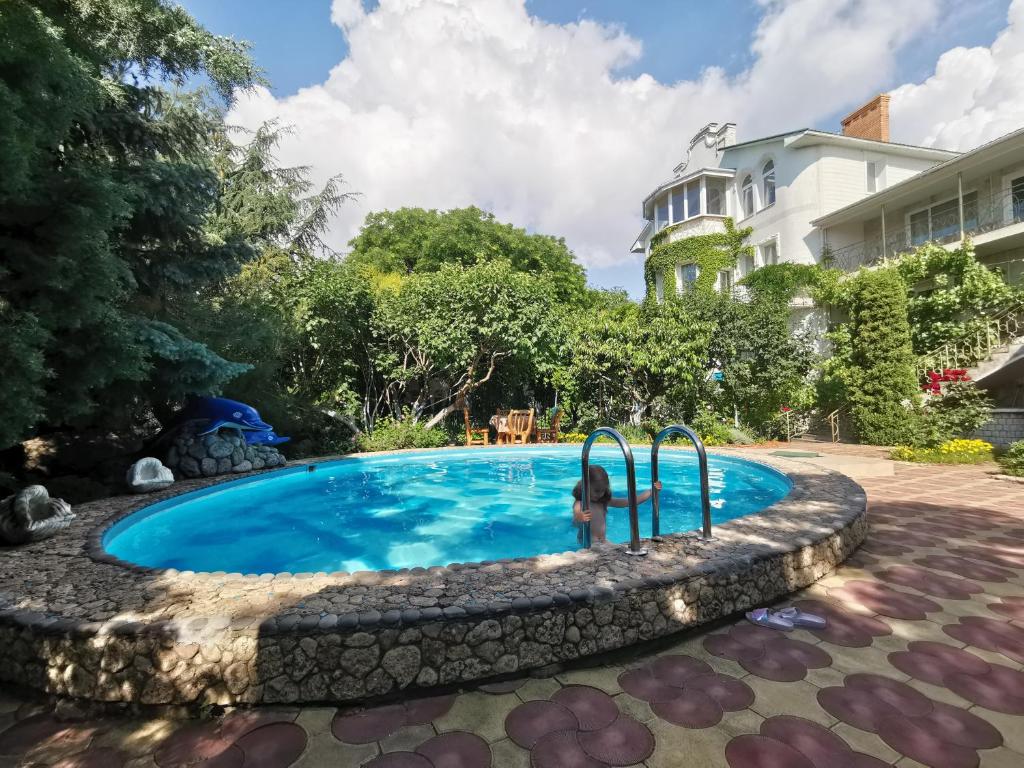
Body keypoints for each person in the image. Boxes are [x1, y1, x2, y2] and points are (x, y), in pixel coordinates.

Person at [571, 465, 660, 544]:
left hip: (602, 541)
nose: (600, 494)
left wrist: (652, 491)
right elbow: (576, 516)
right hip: (588, 542)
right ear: (585, 486)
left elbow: (629, 502)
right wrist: (580, 517)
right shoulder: (580, 502)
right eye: (597, 491)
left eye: (603, 490)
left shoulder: (603, 501)